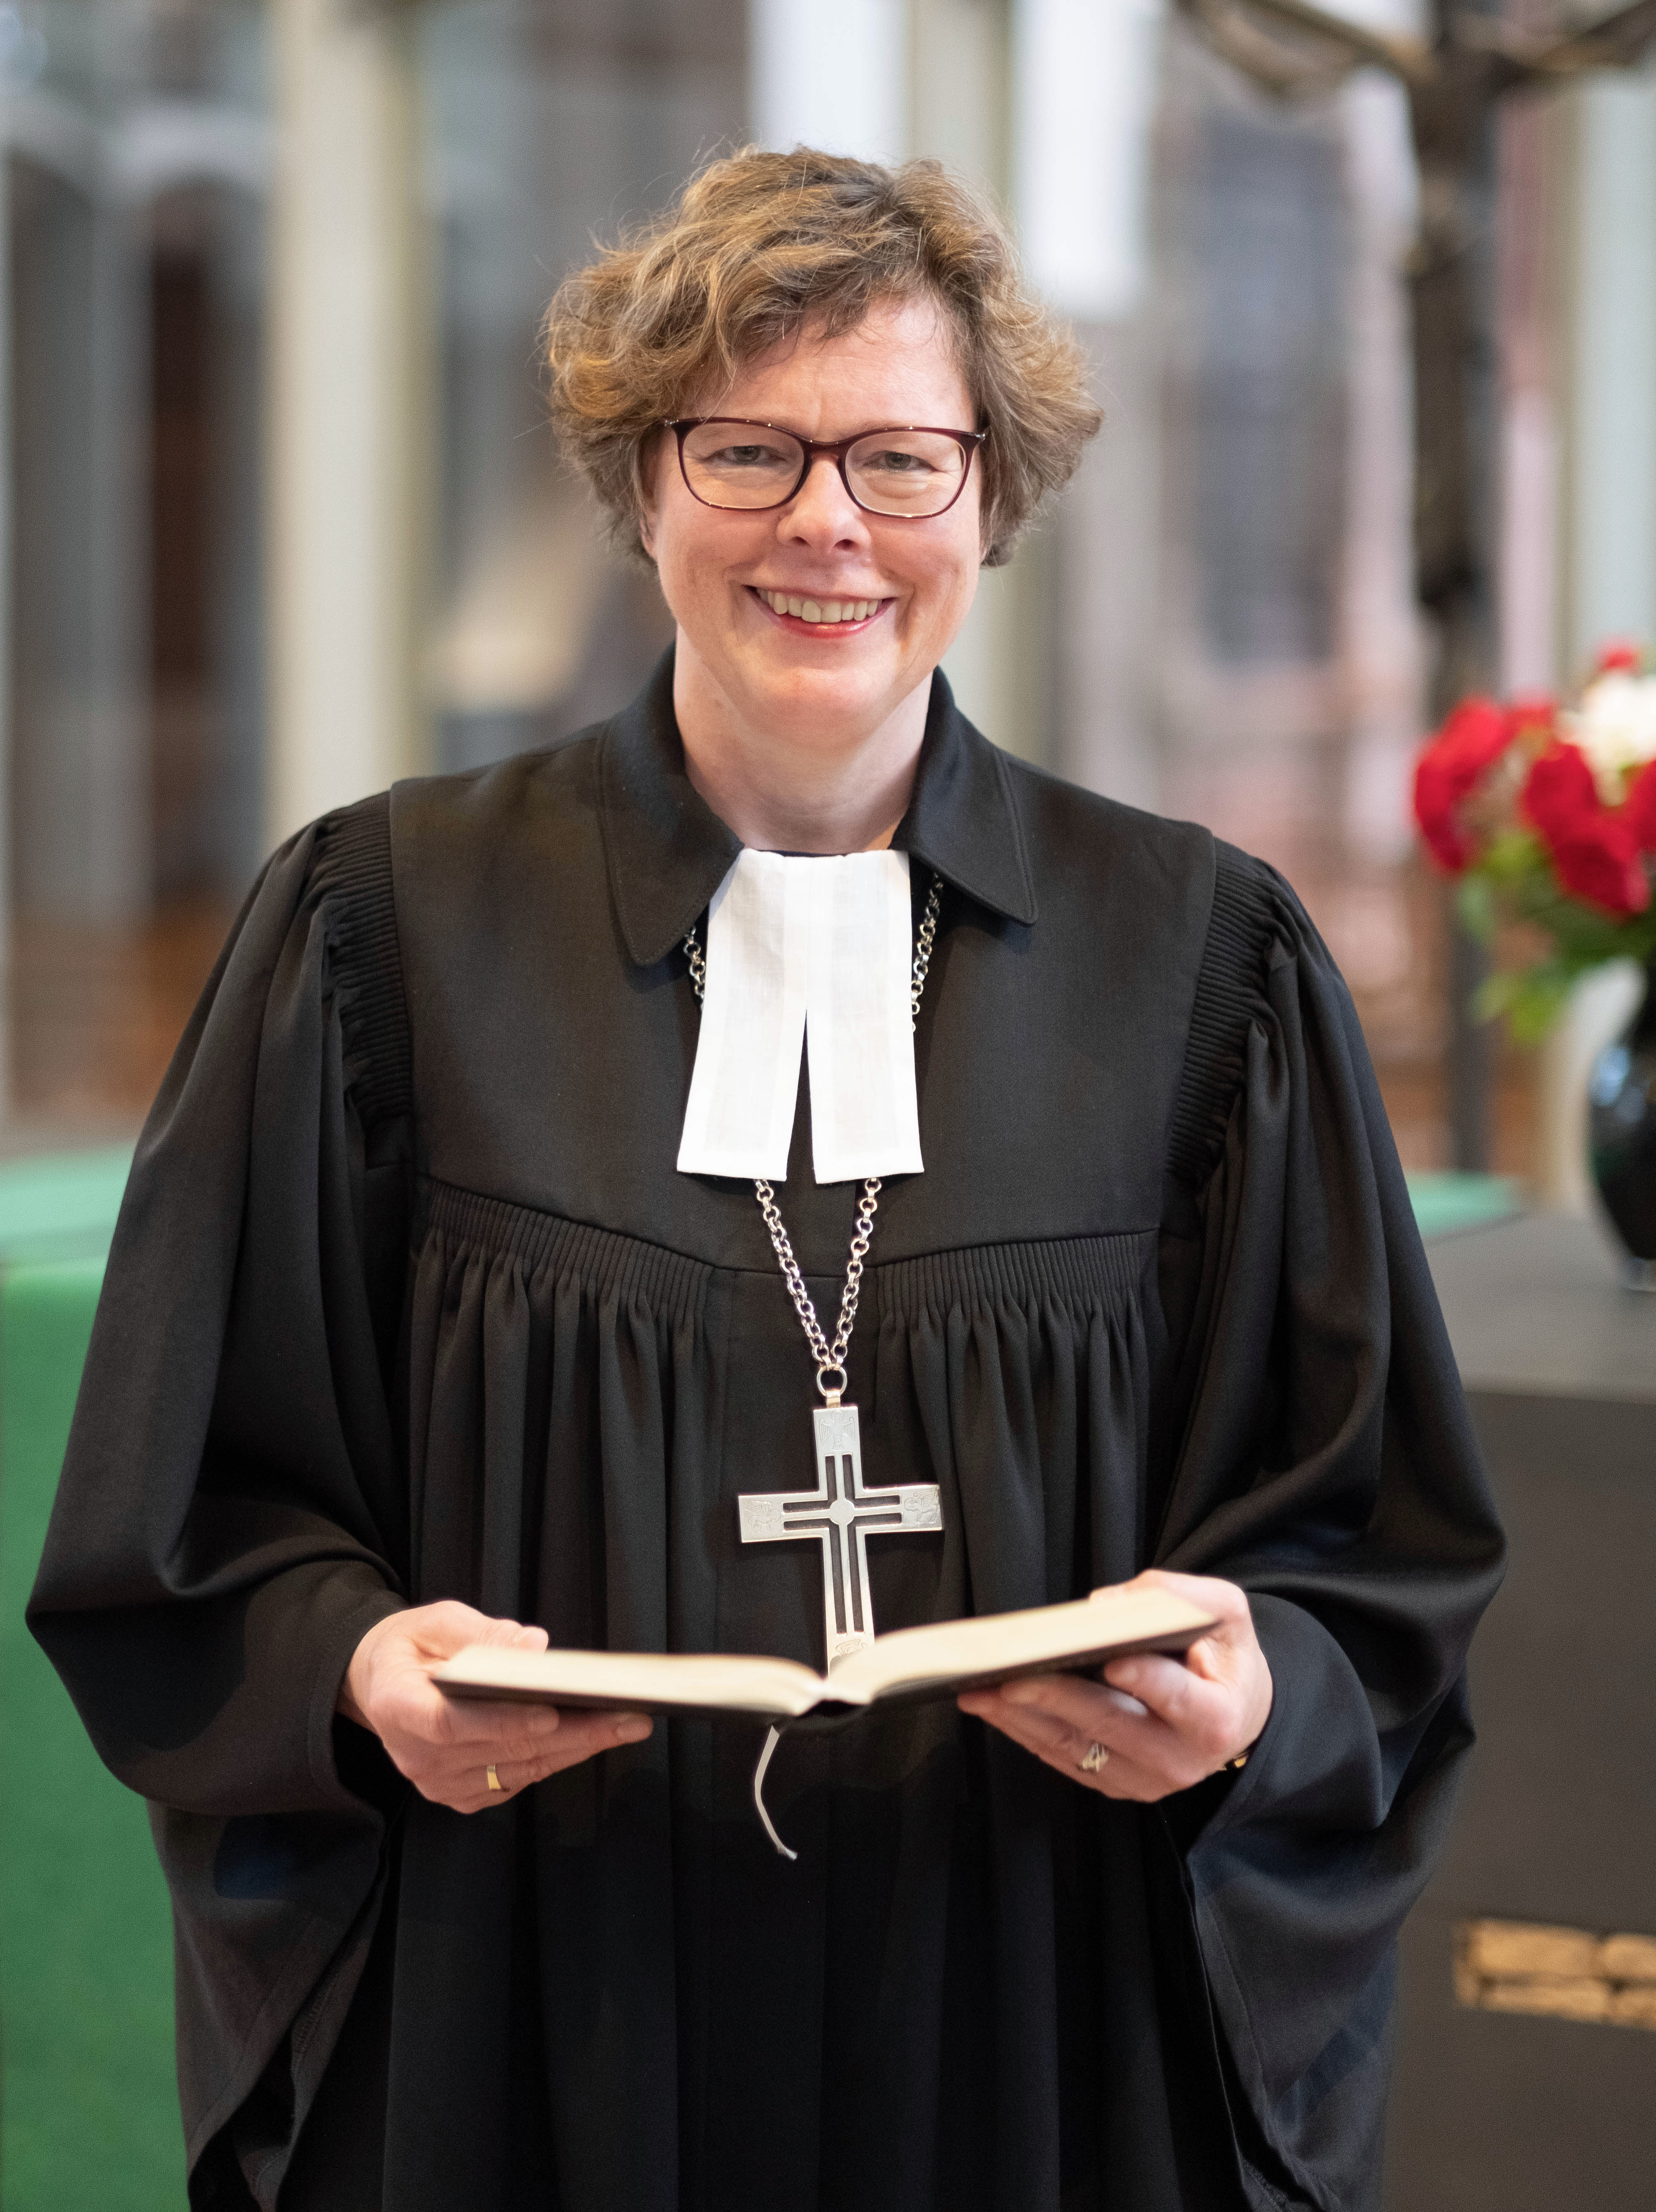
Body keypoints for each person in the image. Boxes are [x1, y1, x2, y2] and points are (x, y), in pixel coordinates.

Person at [31, 148, 1502, 2212]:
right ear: (642, 491)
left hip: (1036, 2018)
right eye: (747, 452)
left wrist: (1258, 1688)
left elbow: (1370, 1545)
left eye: (900, 459)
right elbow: (195, 1508)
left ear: (989, 500)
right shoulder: (382, 936)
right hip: (533, 2015)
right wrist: (353, 1672)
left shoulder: (1202, 964)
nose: (828, 523)